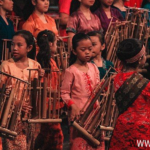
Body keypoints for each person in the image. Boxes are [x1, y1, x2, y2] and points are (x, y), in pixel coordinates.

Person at [0, 30, 44, 150]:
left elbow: (37, 91)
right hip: (12, 118)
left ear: (29, 48)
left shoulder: (35, 66)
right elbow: (2, 92)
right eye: (13, 44)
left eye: (19, 45)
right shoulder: (6, 66)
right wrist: (16, 104)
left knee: (30, 145)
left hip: (30, 116)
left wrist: (41, 78)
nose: (14, 48)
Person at [61, 33, 105, 150]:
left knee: (96, 144)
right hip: (79, 115)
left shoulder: (94, 67)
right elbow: (64, 93)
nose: (87, 52)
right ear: (74, 51)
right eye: (83, 49)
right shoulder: (71, 71)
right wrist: (72, 105)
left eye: (90, 49)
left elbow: (97, 87)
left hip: (95, 113)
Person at [109, 39, 150, 150]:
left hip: (122, 130)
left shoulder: (116, 78)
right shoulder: (145, 84)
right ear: (140, 59)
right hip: (142, 132)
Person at [35, 30, 64, 150]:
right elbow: (41, 86)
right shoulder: (40, 61)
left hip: (51, 106)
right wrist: (58, 93)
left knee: (46, 138)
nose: (56, 47)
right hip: (45, 106)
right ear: (51, 44)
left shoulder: (50, 60)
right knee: (56, 137)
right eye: (56, 43)